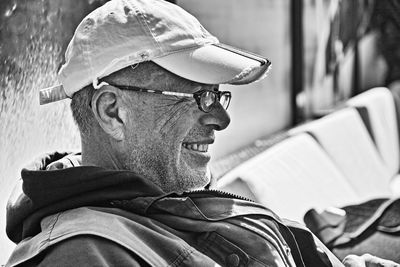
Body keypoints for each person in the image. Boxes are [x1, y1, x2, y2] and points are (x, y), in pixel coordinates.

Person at [4, 0, 399, 266]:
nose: (220, 120)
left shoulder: (158, 199)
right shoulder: (83, 254)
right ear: (112, 111)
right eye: (196, 96)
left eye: (216, 96)